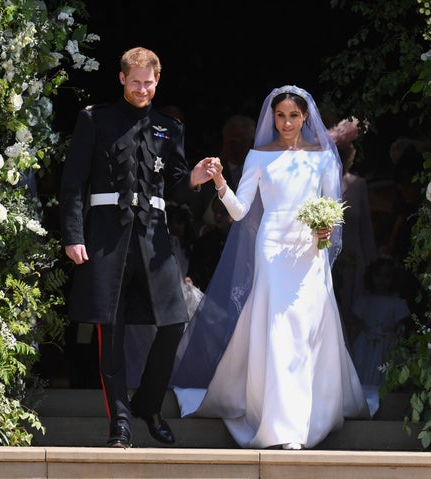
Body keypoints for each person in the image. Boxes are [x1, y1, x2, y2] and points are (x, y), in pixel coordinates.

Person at [172, 85, 370, 450]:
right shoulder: (258, 156)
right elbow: (240, 211)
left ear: (305, 117)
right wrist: (219, 183)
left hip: (310, 248)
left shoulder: (323, 157)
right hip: (272, 246)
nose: (287, 122)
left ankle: (310, 414)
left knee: (307, 325)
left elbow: (332, 211)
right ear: (272, 117)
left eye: (294, 115)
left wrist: (325, 234)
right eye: (281, 116)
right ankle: (281, 425)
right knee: (277, 326)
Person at [59, 46, 217, 448]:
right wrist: (74, 235)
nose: (143, 90)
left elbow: (178, 184)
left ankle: (147, 403)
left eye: (149, 83)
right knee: (108, 330)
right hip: (107, 238)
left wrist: (196, 177)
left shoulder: (169, 127)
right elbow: (74, 182)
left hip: (154, 239)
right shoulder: (95, 120)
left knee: (174, 320)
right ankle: (121, 424)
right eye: (135, 83)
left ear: (157, 80)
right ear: (122, 79)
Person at [327, 116, 377, 345]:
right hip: (326, 255)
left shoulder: (358, 184)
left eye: (344, 155)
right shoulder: (318, 185)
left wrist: (371, 264)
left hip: (354, 258)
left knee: (352, 311)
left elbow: (366, 227)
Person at [349, 255, 410, 417]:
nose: (382, 280)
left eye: (387, 276)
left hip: (387, 344)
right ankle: (361, 405)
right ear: (371, 277)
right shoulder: (365, 300)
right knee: (363, 371)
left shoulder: (396, 303)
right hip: (366, 344)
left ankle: (382, 407)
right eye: (378, 275)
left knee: (383, 374)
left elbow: (403, 326)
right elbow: (353, 319)